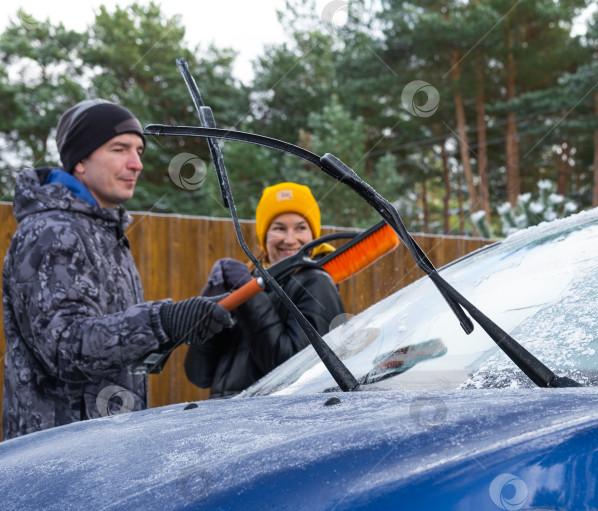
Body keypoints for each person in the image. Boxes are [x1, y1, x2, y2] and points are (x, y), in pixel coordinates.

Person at [2, 99, 234, 440]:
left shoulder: (103, 230)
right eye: (120, 149)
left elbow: (113, 342)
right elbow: (65, 347)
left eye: (139, 150)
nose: (136, 163)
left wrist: (181, 325)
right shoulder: (52, 232)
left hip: (105, 446)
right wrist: (161, 321)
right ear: (80, 159)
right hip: (59, 454)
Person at [184, 182, 345, 397]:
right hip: (228, 419)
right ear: (265, 235)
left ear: (313, 234)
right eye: (279, 228)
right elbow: (199, 375)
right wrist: (210, 307)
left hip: (278, 424)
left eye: (300, 227)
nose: (290, 239)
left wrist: (249, 297)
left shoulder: (316, 283)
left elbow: (291, 373)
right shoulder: (250, 282)